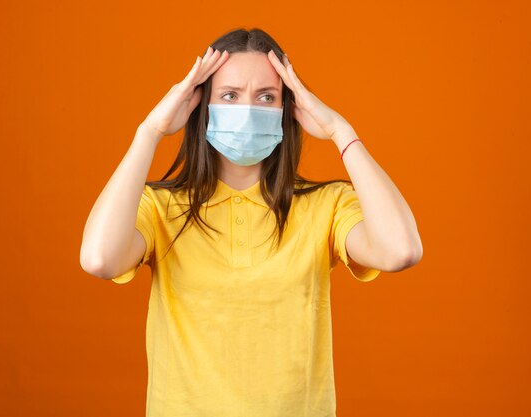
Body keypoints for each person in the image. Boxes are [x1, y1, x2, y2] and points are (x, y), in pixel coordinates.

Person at [80, 28, 422, 417]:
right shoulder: (160, 208)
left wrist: (341, 133)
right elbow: (99, 259)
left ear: (288, 109)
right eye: (229, 95)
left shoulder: (325, 206)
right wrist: (149, 132)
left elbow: (401, 250)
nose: (247, 109)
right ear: (200, 107)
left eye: (266, 97)